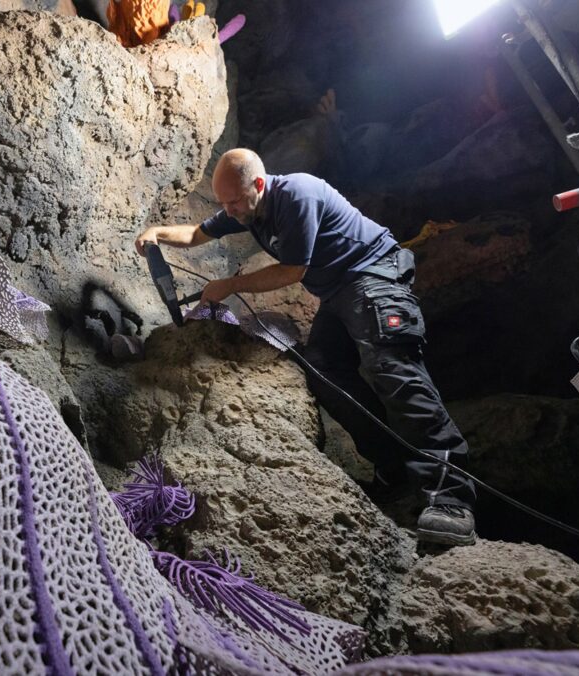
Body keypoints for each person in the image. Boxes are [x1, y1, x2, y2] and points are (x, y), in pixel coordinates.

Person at [134, 148, 477, 546]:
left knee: (392, 370)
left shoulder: (297, 195)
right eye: (223, 202)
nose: (229, 210)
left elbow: (294, 270)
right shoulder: (247, 208)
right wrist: (156, 233)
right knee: (324, 369)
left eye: (234, 201)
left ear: (258, 185)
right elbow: (196, 234)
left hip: (373, 275)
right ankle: (394, 466)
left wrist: (229, 286)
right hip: (338, 291)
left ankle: (452, 499)